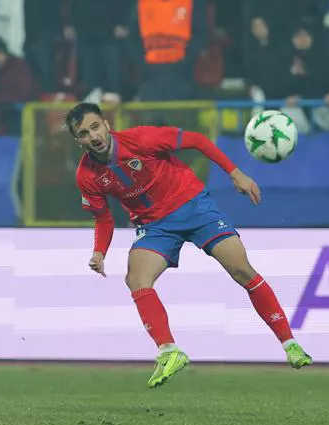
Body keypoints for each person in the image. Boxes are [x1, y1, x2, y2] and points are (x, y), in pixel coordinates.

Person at [68, 102, 312, 388]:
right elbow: (103, 218)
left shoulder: (142, 139)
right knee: (136, 279)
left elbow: (197, 140)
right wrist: (99, 252)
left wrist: (235, 173)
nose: (93, 136)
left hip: (192, 206)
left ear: (107, 125)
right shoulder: (87, 175)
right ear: (78, 141)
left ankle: (289, 343)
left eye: (95, 127)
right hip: (155, 226)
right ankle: (169, 351)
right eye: (84, 133)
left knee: (241, 270)